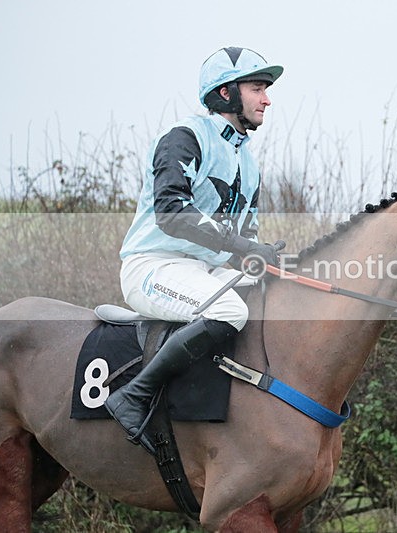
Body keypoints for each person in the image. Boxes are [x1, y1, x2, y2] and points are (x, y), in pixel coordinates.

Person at [104, 47, 283, 453]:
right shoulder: (185, 137)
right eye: (258, 88)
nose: (267, 99)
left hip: (204, 272)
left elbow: (242, 241)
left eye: (266, 90)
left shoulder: (250, 164)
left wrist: (263, 257)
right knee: (230, 311)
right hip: (153, 267)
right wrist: (240, 245)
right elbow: (171, 213)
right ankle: (134, 396)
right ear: (225, 94)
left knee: (270, 296)